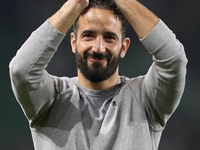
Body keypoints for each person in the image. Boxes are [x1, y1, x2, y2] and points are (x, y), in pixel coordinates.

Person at [9, 0, 187, 149]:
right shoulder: (50, 99)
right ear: (73, 42)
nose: (98, 48)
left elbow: (173, 60)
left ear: (124, 47)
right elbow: (22, 70)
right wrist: (75, 5)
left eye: (109, 38)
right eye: (88, 36)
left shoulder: (147, 99)